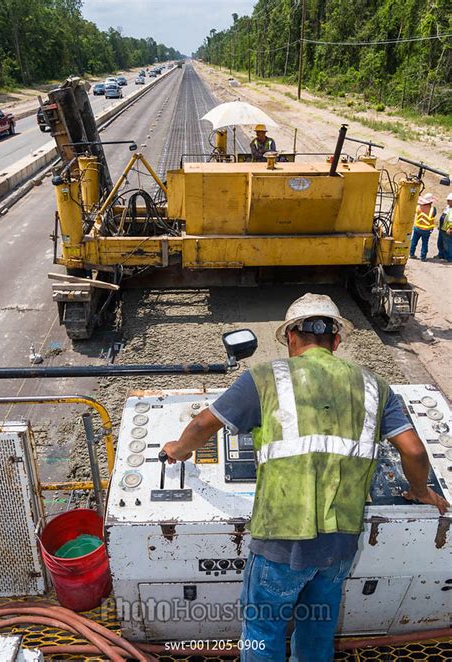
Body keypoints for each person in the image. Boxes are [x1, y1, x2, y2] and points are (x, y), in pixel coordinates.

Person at [162, 293, 448, 662]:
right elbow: (414, 451)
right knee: (317, 627)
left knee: (263, 630)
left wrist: (178, 451)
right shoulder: (377, 387)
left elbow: (203, 424)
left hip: (281, 541)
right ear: (337, 341)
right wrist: (420, 490)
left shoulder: (264, 378)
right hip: (340, 543)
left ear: (289, 338)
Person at [410, 192, 437, 261]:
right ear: (431, 202)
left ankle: (411, 254)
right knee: (425, 243)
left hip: (417, 228)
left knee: (414, 242)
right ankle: (423, 257)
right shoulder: (433, 209)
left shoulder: (418, 207)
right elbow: (433, 215)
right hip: (426, 229)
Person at [436, 192, 452, 262]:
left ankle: (448, 257)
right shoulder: (448, 207)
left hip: (447, 230)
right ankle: (441, 255)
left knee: (447, 245)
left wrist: (450, 228)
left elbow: (451, 220)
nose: (447, 201)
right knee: (440, 243)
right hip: (442, 228)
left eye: (449, 200)